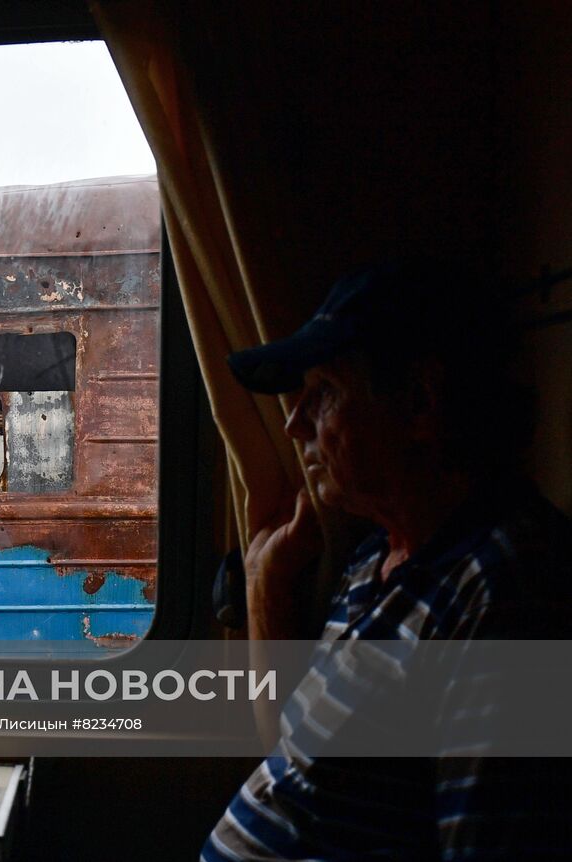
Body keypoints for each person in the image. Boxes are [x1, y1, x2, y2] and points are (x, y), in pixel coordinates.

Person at [202, 260, 572, 860]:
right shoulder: (376, 557)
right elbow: (300, 764)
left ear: (421, 404)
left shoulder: (508, 588)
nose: (294, 424)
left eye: (324, 393)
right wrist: (263, 585)